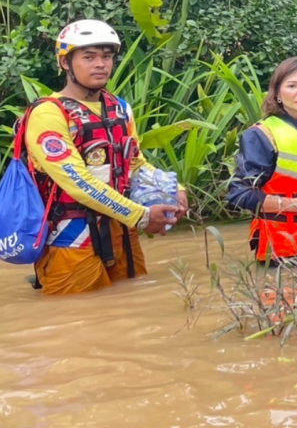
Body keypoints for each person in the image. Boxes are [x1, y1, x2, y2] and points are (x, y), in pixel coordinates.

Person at [23, 20, 184, 295]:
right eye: (89, 57)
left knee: (132, 307)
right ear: (65, 63)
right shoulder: (48, 115)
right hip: (72, 233)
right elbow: (77, 182)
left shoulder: (120, 109)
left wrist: (174, 190)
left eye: (106, 56)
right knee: (76, 320)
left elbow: (135, 162)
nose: (100, 64)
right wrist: (141, 216)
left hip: (122, 229)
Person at [228, 58, 297, 261]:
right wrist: (293, 205)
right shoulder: (261, 134)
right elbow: (237, 194)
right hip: (279, 252)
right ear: (277, 93)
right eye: (292, 86)